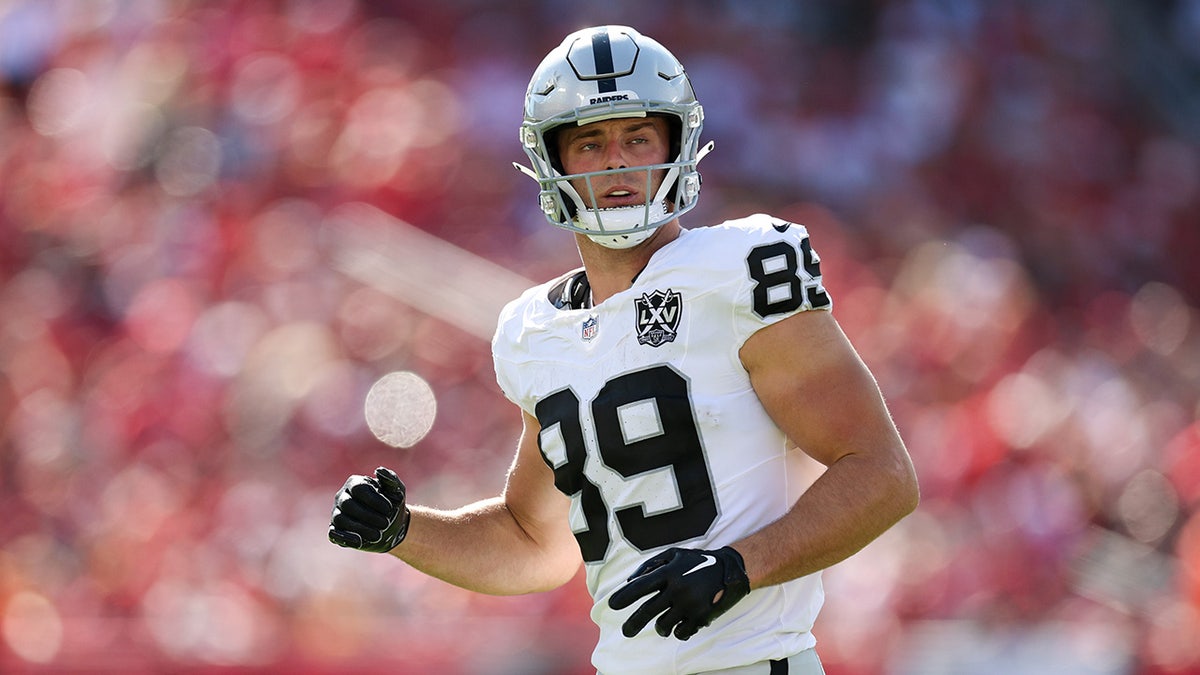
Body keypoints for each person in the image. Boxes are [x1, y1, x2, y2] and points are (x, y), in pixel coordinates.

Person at [329, 25, 918, 675]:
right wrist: (405, 531)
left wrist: (737, 567)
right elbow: (534, 540)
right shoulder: (535, 332)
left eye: (637, 137)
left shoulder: (741, 267)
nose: (616, 161)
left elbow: (881, 474)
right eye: (590, 140)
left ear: (678, 145)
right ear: (551, 160)